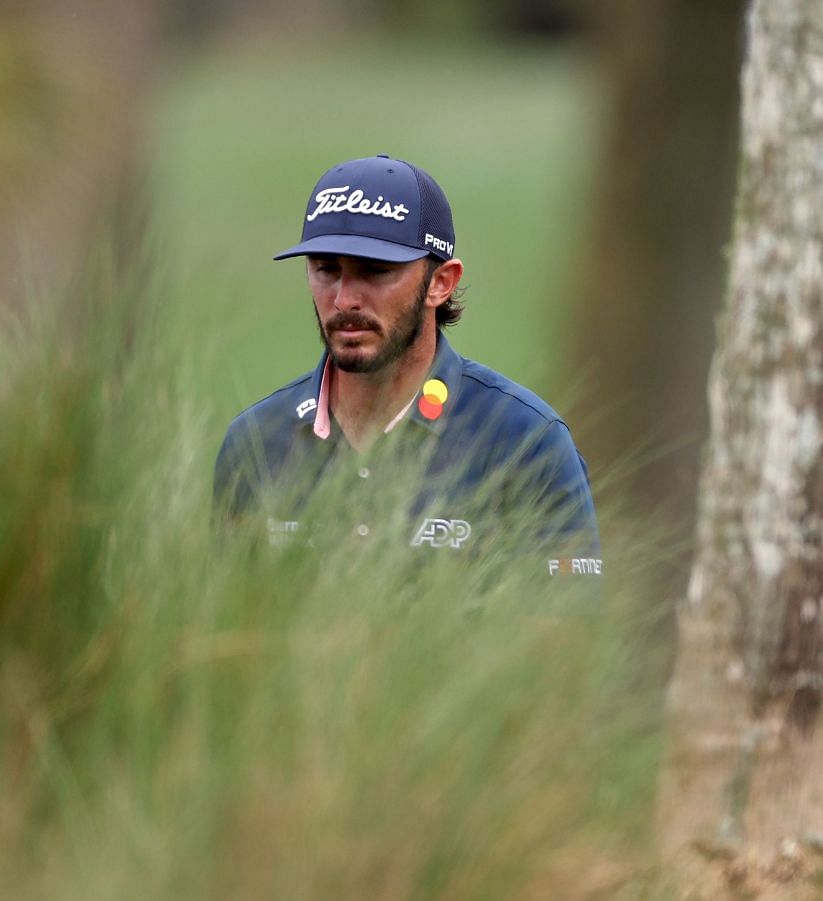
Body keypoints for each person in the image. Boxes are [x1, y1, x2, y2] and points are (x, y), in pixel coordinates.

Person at [212, 155, 601, 583]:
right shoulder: (254, 443)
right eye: (326, 270)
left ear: (441, 283)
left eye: (376, 272)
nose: (344, 300)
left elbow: (566, 637)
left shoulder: (524, 440)